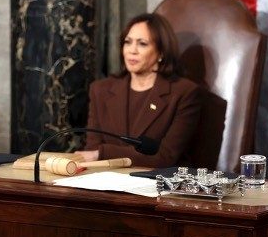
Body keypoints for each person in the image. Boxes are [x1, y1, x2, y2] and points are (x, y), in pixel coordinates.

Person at [75, 13, 203, 167]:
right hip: (106, 182)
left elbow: (166, 157)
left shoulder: (184, 93)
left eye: (142, 43)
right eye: (127, 42)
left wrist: (103, 153)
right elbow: (91, 149)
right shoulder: (100, 90)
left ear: (161, 52)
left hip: (155, 185)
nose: (132, 50)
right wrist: (97, 155)